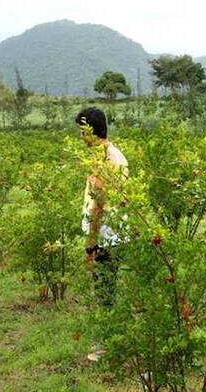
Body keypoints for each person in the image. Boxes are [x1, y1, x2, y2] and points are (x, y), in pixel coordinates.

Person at [75, 107, 128, 308]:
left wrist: (91, 243)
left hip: (107, 234)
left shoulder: (106, 159)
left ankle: (108, 337)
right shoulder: (111, 153)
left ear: (91, 130)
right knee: (106, 284)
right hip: (111, 232)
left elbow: (99, 204)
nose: (81, 137)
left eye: (82, 132)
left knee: (104, 288)